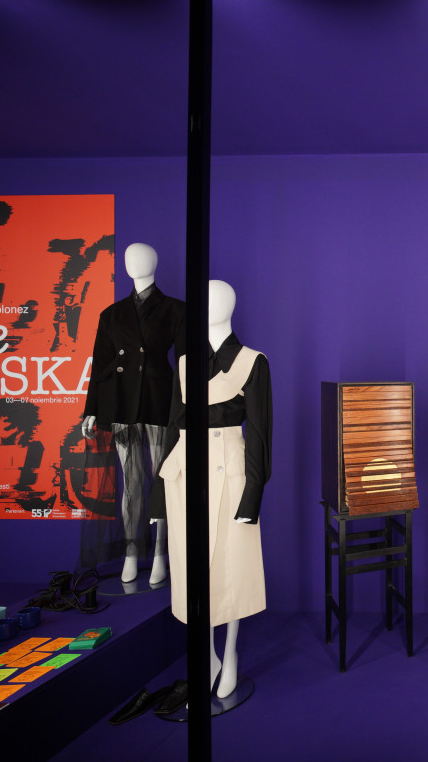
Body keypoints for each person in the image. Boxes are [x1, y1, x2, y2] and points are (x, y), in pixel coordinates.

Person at [150, 280, 271, 698]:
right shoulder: (186, 363)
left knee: (232, 565)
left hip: (230, 469)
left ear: (229, 306)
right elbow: (173, 427)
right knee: (192, 567)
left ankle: (230, 652)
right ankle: (209, 655)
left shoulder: (253, 362)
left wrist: (253, 495)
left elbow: (259, 435)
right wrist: (157, 494)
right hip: (185, 471)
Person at [81, 242, 185, 584]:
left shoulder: (174, 310)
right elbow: (100, 365)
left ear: (154, 262)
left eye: (140, 257)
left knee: (163, 480)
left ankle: (160, 554)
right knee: (131, 482)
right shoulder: (112, 314)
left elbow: (186, 365)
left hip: (159, 399)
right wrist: (92, 409)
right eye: (128, 258)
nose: (133, 263)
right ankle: (131, 551)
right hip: (122, 401)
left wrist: (187, 408)